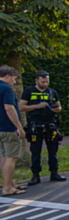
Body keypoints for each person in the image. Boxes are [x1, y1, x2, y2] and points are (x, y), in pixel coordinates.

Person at [19, 71, 66, 185]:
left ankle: (54, 172)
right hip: (36, 123)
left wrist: (56, 109)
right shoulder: (29, 91)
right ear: (36, 80)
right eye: (42, 82)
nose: (45, 84)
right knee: (35, 151)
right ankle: (35, 175)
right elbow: (21, 106)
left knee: (53, 150)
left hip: (50, 123)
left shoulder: (52, 92)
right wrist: (37, 106)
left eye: (47, 81)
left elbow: (59, 107)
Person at [0, 65, 26, 196]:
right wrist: (19, 127)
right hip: (8, 128)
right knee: (12, 157)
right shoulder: (6, 89)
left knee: (3, 155)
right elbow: (9, 108)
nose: (14, 82)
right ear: (8, 76)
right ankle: (7, 188)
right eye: (14, 79)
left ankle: (9, 183)